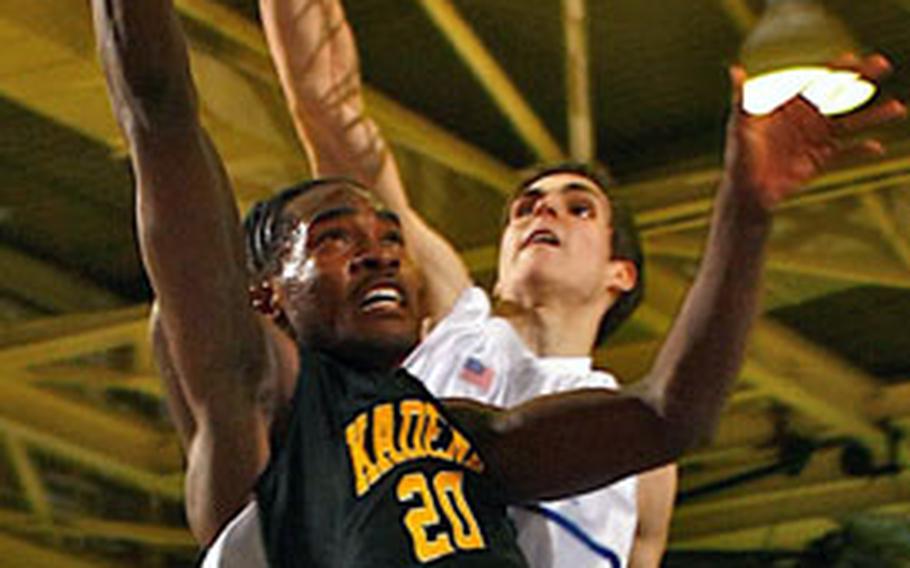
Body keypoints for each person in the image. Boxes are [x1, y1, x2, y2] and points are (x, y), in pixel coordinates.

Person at [91, 1, 903, 567]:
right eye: (337, 239)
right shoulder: (259, 390)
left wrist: (747, 206)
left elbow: (668, 416)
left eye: (387, 238)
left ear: (621, 270)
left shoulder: (465, 437)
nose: (381, 254)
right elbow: (162, 112)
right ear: (263, 295)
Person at [259, 2, 674, 565]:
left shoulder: (641, 453)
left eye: (577, 208)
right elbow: (333, 115)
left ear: (618, 274)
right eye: (525, 208)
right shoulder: (456, 319)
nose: (542, 214)